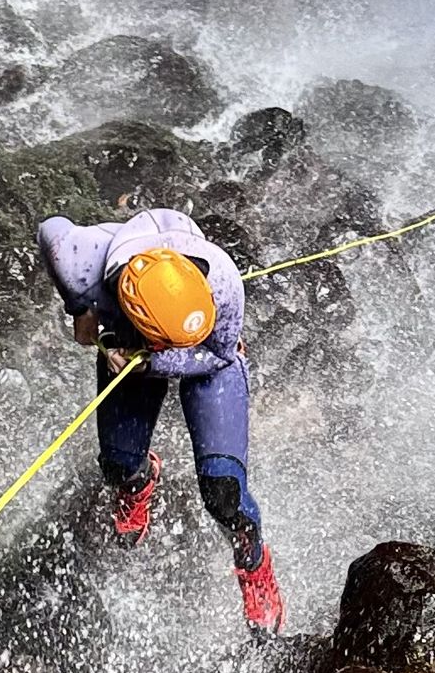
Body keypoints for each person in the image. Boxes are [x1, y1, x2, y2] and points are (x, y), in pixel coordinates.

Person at [37, 204, 285, 632]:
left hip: (205, 364)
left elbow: (218, 355)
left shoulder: (221, 284)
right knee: (117, 464)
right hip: (131, 344)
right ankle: (139, 482)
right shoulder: (84, 261)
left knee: (223, 492)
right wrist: (80, 309)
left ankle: (254, 561)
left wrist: (152, 363)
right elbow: (49, 229)